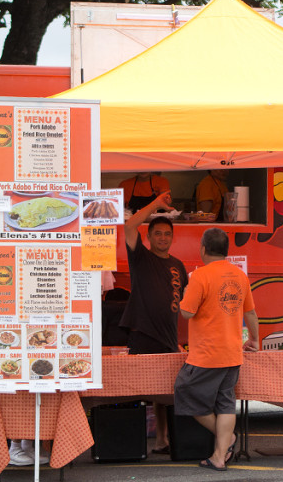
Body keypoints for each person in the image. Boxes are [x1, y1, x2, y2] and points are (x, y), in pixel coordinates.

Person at [174, 228, 258, 472]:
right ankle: (220, 454)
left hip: (206, 354)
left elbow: (187, 312)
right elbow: (250, 312)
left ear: (202, 249)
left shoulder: (200, 277)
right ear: (227, 251)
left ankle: (226, 440)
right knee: (225, 404)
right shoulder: (240, 276)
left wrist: (186, 293)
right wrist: (254, 340)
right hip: (232, 353)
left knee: (185, 393)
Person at [120, 190, 188, 453]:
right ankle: (130, 443)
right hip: (142, 332)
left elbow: (186, 303)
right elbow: (129, 225)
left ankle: (162, 440)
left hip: (169, 337)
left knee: (165, 394)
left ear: (173, 238)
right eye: (157, 233)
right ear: (148, 237)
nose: (162, 238)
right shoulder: (140, 257)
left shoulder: (178, 266)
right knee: (135, 390)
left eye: (167, 234)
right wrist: (156, 205)